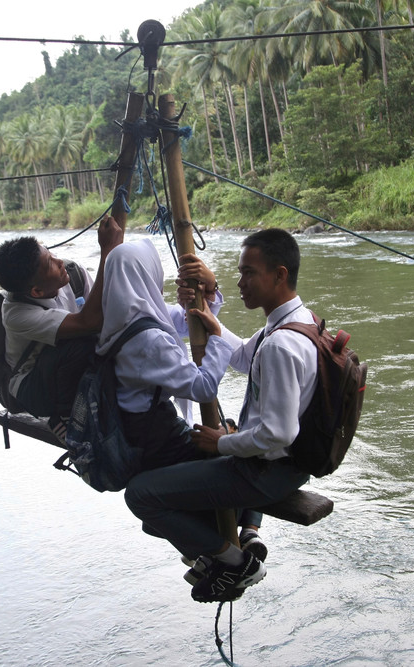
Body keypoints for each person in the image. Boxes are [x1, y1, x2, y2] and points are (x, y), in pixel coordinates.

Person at [125, 228, 318, 604]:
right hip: (281, 464)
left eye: (249, 273)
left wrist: (221, 442)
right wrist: (214, 322)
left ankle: (233, 562)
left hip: (266, 472)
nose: (240, 283)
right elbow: (247, 357)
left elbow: (277, 434)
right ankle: (234, 541)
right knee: (161, 505)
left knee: (141, 495)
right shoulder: (295, 321)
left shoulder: (281, 343)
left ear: (279, 274)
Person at [98, 239, 232, 475]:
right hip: (154, 437)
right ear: (146, 274)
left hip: (131, 425)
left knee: (227, 432)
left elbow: (184, 319)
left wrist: (208, 290)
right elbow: (203, 388)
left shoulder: (117, 314)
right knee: (230, 452)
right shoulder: (149, 340)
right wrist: (217, 336)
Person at [0, 215, 123, 440]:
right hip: (32, 385)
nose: (59, 261)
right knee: (80, 342)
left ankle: (102, 399)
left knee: (115, 338)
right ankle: (64, 416)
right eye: (50, 263)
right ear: (37, 292)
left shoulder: (73, 274)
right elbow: (88, 323)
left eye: (51, 254)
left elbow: (106, 310)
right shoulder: (16, 313)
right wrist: (109, 250)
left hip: (64, 367)